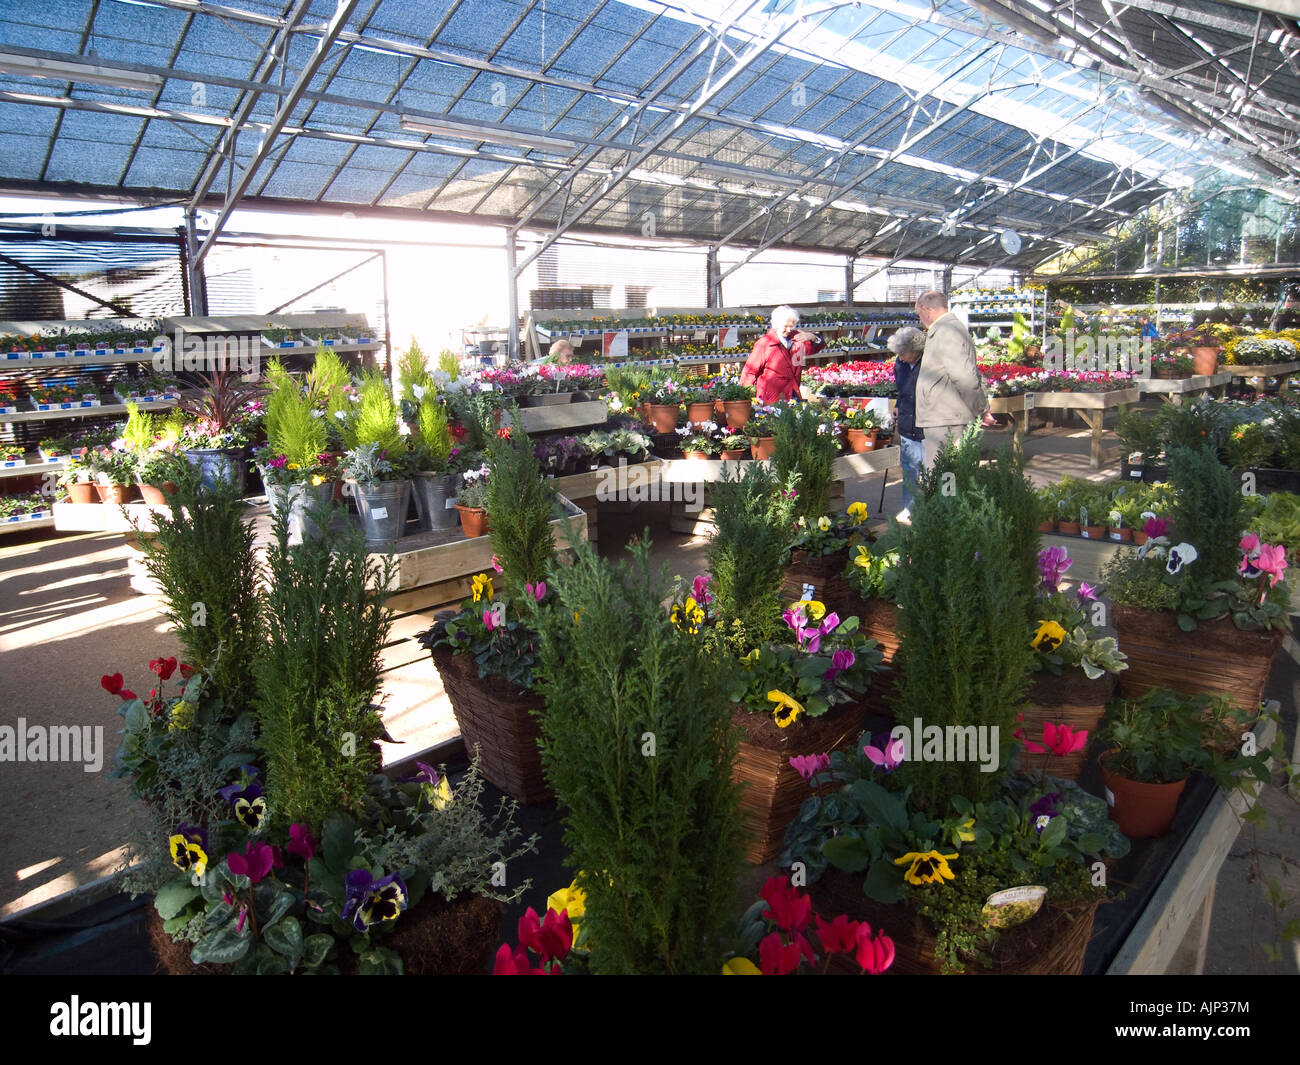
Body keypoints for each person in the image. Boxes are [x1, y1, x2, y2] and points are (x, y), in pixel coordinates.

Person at [913, 290, 993, 468]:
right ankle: (947, 496)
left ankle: (947, 497)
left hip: (947, 419)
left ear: (927, 309)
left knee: (947, 475)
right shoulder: (945, 329)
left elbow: (964, 378)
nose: (920, 319)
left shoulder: (947, 332)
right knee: (946, 474)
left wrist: (981, 408)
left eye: (919, 314)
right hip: (945, 417)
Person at [739, 305, 825, 404]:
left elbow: (816, 347)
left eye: (791, 326)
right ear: (776, 324)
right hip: (770, 397)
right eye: (785, 326)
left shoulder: (797, 337)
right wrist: (746, 397)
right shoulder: (765, 343)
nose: (789, 330)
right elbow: (749, 372)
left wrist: (812, 336)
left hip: (793, 393)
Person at [887, 325, 926, 513]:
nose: (900, 357)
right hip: (906, 422)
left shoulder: (929, 362)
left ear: (915, 351)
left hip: (928, 425)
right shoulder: (901, 362)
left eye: (903, 353)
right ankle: (909, 510)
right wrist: (897, 406)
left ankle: (934, 511)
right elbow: (902, 389)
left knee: (934, 472)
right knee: (909, 470)